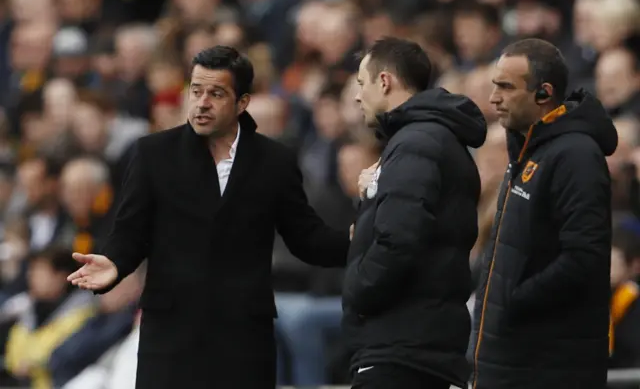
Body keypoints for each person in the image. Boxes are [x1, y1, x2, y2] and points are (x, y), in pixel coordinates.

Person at [66, 45, 350, 389]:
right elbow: (130, 232)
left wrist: (354, 240)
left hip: (243, 339)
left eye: (216, 93)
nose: (202, 102)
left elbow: (306, 238)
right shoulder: (153, 154)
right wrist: (115, 265)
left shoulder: (275, 162)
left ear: (242, 102)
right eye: (196, 91)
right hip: (170, 335)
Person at [470, 38, 618, 389]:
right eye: (494, 85)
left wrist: (514, 302)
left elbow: (584, 257)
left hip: (546, 367)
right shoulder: (528, 148)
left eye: (506, 87)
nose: (494, 98)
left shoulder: (576, 155)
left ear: (544, 93)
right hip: (510, 361)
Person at [343, 37, 488, 389]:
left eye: (362, 84)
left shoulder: (416, 143)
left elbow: (399, 238)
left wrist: (358, 288)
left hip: (402, 347)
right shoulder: (426, 140)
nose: (357, 96)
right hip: (419, 342)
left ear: (385, 82)